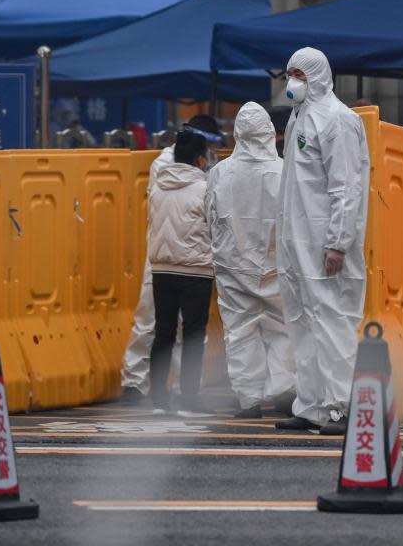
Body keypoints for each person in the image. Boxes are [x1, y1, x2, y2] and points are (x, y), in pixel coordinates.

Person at [275, 47, 370, 434]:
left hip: (322, 243)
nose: (291, 82)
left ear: (317, 75)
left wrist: (338, 241)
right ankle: (312, 405)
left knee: (331, 324)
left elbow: (345, 187)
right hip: (297, 242)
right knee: (302, 323)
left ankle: (340, 407)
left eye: (298, 74)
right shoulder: (300, 118)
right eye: (288, 74)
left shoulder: (337, 120)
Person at [119, 115, 221, 402]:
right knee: (153, 320)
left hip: (170, 256)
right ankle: (136, 380)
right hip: (171, 254)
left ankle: (175, 387)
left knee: (172, 326)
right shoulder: (166, 164)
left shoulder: (198, 167)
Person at [206, 102, 295, 419]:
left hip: (234, 266)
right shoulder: (285, 171)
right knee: (282, 328)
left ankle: (249, 399)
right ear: (270, 133)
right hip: (278, 264)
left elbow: (210, 217)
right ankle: (284, 390)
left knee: (241, 333)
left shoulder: (220, 172)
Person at [147, 126, 216, 418]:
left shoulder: (158, 186)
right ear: (201, 159)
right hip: (196, 270)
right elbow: (216, 227)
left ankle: (159, 397)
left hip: (162, 268)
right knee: (193, 334)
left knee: (163, 332)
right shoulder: (205, 188)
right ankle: (189, 397)